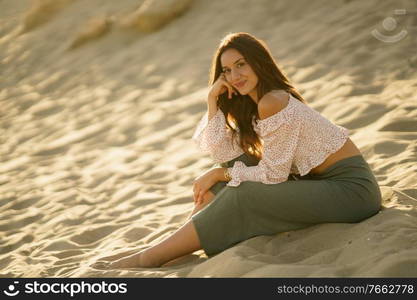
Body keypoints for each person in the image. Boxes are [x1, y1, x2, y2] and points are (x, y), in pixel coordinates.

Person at [93, 32, 382, 269]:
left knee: (241, 191)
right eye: (227, 71)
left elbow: (273, 176)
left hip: (352, 192)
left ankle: (152, 257)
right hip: (321, 184)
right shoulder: (257, 105)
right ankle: (176, 245)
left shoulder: (273, 101)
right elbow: (224, 153)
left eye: (241, 64)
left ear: (258, 62)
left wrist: (220, 174)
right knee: (231, 178)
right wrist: (212, 102)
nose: (234, 76)